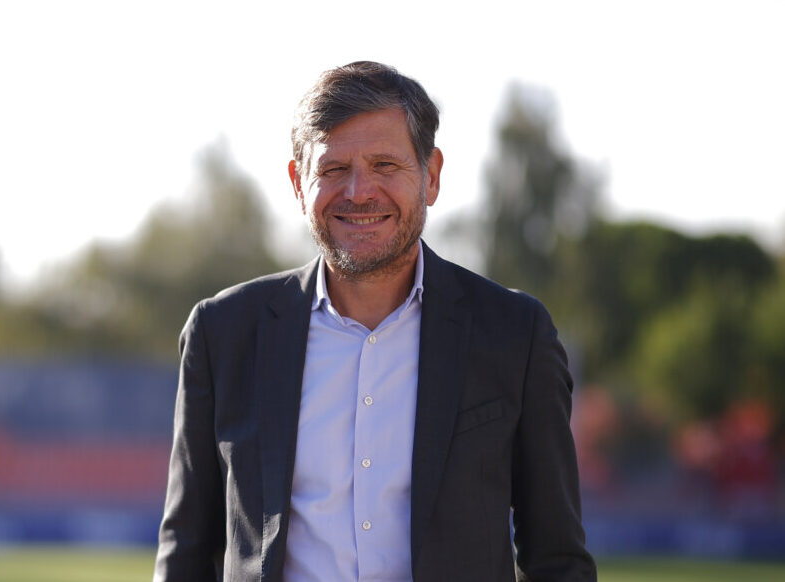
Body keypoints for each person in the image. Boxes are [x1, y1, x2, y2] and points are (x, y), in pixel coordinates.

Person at [154, 61, 596, 582]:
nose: (359, 192)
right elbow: (186, 551)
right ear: (299, 182)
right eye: (334, 169)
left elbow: (557, 558)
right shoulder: (222, 333)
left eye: (386, 164)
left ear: (430, 176)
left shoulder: (514, 335)